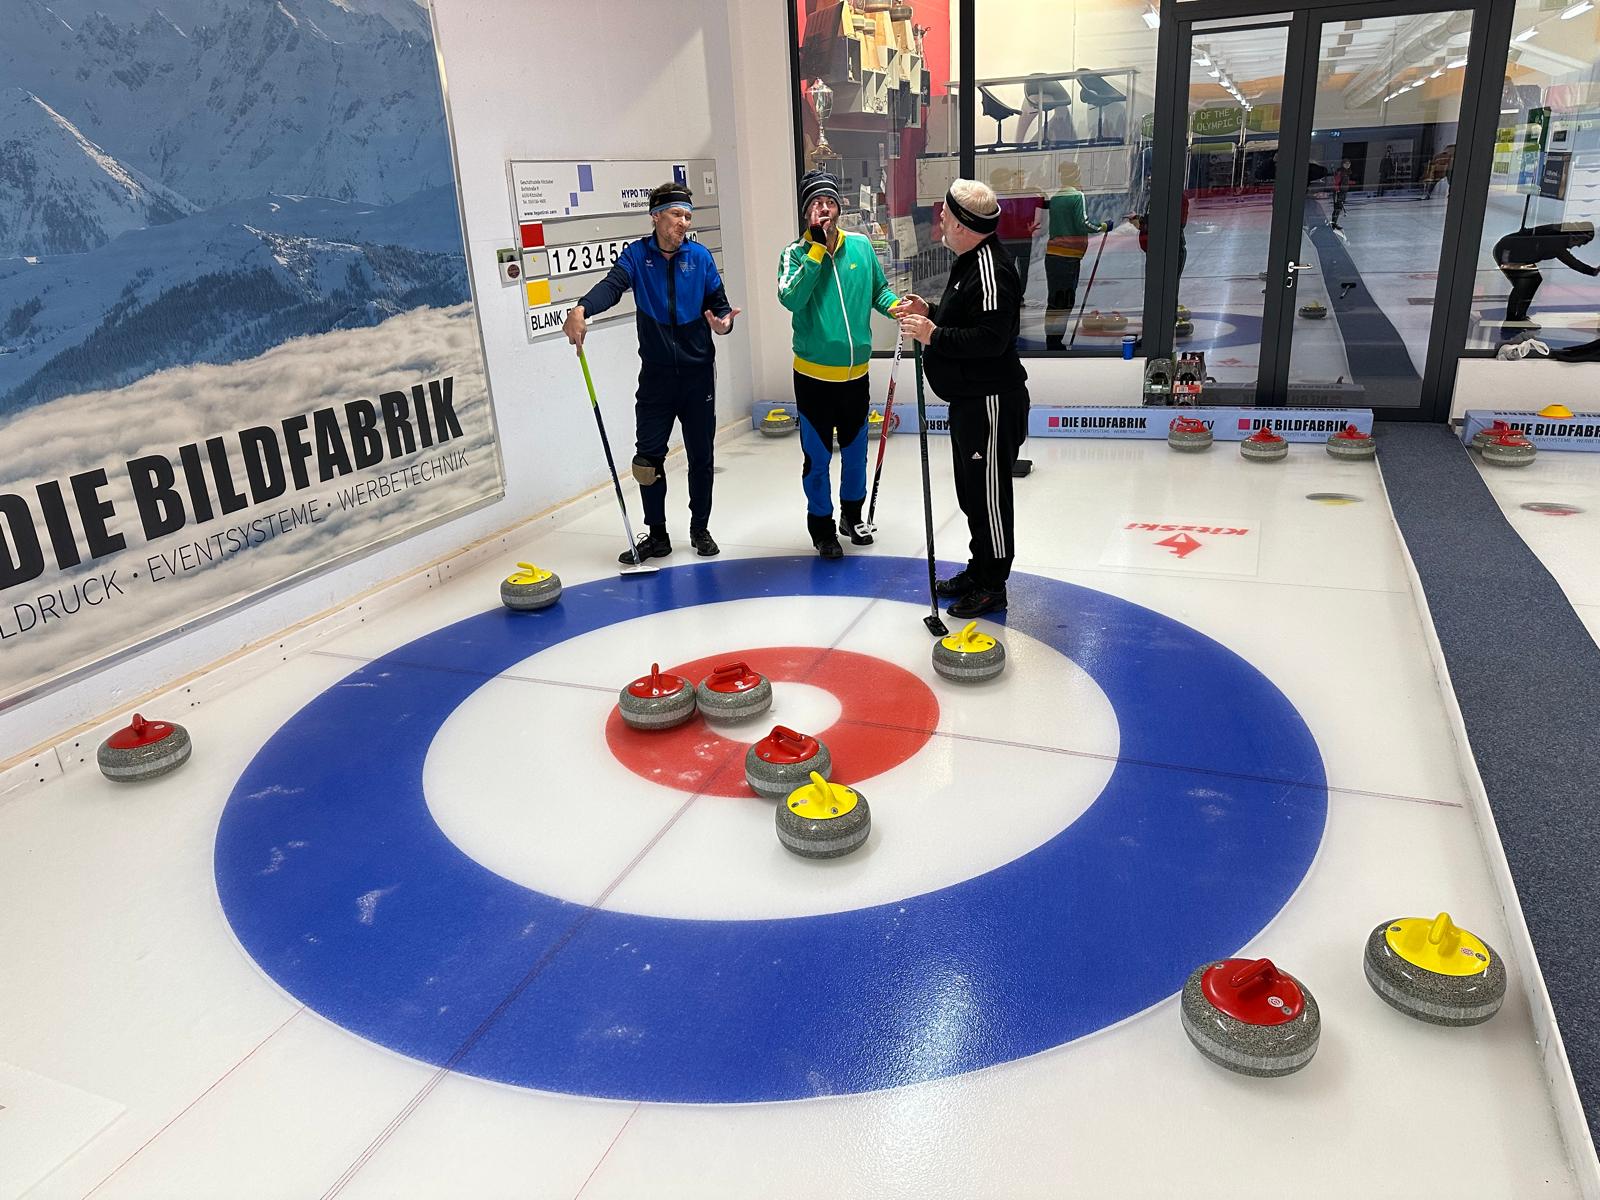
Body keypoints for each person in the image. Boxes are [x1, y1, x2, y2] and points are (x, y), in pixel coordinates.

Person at [563, 181, 739, 563]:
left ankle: (700, 529)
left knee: (701, 457)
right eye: (676, 214)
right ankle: (657, 536)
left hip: (697, 376)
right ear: (656, 216)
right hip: (657, 378)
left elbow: (721, 309)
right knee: (646, 461)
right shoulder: (636, 256)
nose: (683, 223)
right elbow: (612, 287)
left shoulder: (700, 258)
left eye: (688, 216)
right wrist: (581, 309)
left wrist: (723, 325)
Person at [895, 178, 1030, 620]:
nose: (940, 220)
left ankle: (993, 585)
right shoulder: (969, 260)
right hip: (970, 401)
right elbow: (970, 319)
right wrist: (931, 313)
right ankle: (979, 569)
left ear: (962, 226)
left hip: (990, 402)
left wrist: (932, 335)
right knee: (973, 494)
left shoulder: (990, 268)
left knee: (988, 497)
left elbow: (991, 339)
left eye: (946, 215)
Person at [777, 169, 905, 558]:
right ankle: (822, 528)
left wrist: (896, 308)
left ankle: (852, 516)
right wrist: (816, 252)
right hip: (813, 378)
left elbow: (879, 290)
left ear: (839, 208)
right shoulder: (794, 254)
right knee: (817, 458)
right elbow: (791, 298)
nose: (824, 209)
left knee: (855, 453)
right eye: (816, 203)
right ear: (806, 212)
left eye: (830, 202)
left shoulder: (861, 247)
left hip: (856, 376)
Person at [1492, 220, 1599, 342]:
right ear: (1576, 237)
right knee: (1524, 282)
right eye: (1583, 242)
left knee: (1534, 279)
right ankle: (1510, 322)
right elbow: (1572, 262)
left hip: (1517, 253)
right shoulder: (1556, 241)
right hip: (1507, 250)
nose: (1579, 246)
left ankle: (1519, 317)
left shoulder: (1559, 234)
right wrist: (1592, 271)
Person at [1043, 161, 1111, 351]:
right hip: (1069, 256)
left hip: (1052, 255)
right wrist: (1103, 226)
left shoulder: (1056, 197)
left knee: (1054, 300)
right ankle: (1056, 342)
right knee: (1065, 301)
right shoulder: (1076, 195)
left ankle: (1052, 340)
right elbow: (1083, 223)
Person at [991, 167, 1044, 301]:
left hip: (1020, 238)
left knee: (1020, 268)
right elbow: (1006, 225)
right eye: (1008, 180)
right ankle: (1012, 294)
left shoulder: (1016, 196)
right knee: (1009, 268)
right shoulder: (999, 200)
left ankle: (1017, 294)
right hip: (1009, 240)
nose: (1010, 183)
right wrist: (1026, 231)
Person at [1330, 159, 1352, 229]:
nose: (1348, 165)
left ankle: (1334, 223)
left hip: (1343, 192)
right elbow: (1336, 182)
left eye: (1349, 163)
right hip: (1339, 192)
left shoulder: (1347, 172)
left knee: (1339, 208)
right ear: (1343, 164)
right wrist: (1337, 191)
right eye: (1346, 163)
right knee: (1337, 208)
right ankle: (1333, 224)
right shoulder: (1340, 172)